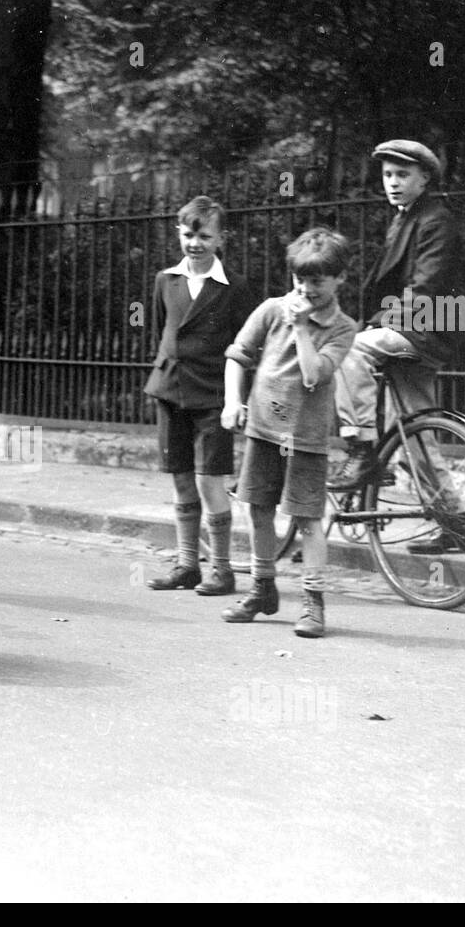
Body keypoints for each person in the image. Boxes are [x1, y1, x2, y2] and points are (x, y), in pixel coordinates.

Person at [326, 139, 465, 554]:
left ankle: (360, 449)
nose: (392, 182)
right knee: (416, 439)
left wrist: (371, 327)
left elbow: (424, 290)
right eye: (388, 175)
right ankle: (457, 526)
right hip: (411, 330)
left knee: (351, 351)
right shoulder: (406, 218)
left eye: (402, 175)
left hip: (425, 329)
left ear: (425, 178)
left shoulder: (436, 220)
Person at [221, 228, 358, 638]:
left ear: (339, 279)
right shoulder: (269, 309)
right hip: (263, 430)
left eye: (317, 281)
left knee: (308, 519)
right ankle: (262, 589)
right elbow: (237, 355)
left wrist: (300, 328)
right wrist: (233, 401)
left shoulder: (342, 328)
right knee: (258, 509)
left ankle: (313, 603)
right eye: (300, 279)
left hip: (306, 437)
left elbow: (314, 375)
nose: (305, 289)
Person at [142, 195, 256, 595]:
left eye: (205, 236)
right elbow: (163, 332)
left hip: (212, 395)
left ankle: (222, 570)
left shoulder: (234, 287)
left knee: (211, 482)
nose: (195, 243)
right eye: (189, 234)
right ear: (179, 233)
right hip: (171, 391)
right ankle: (187, 564)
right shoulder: (165, 280)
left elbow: (245, 346)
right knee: (181, 480)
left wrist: (236, 398)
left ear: (220, 238)